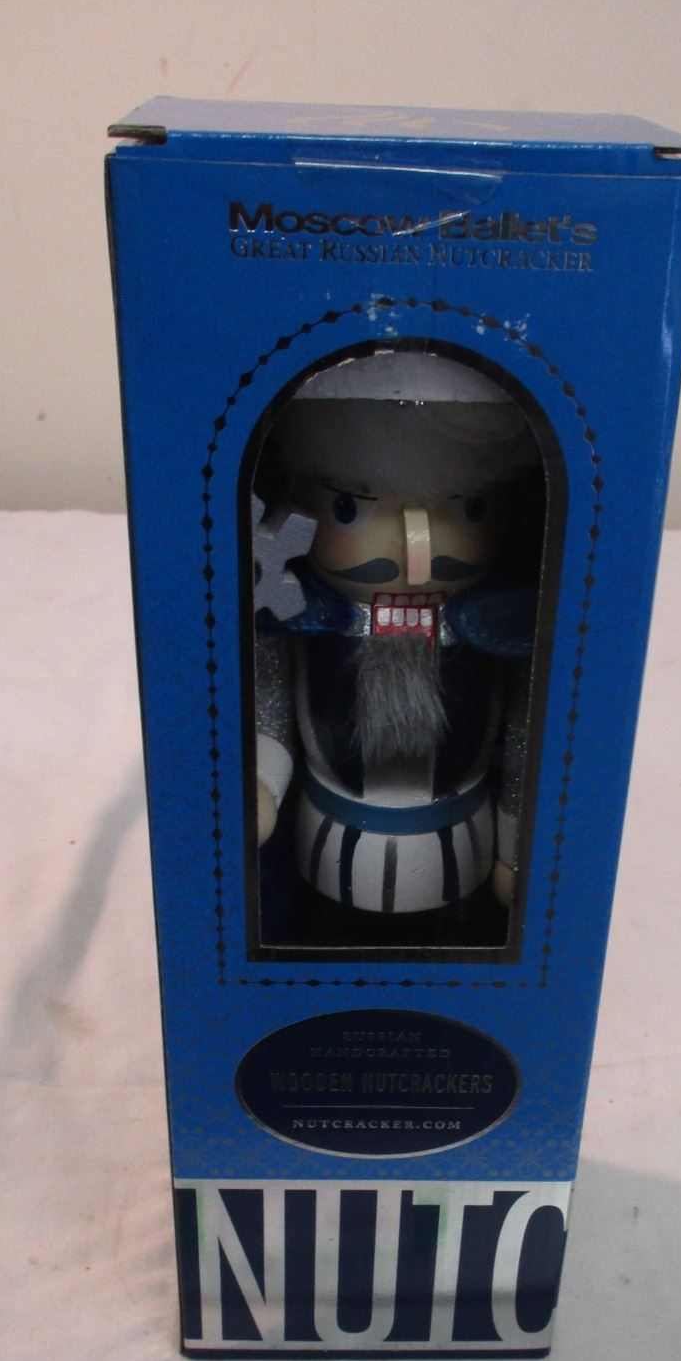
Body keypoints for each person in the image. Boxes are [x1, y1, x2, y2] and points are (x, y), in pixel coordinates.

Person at [252, 348, 543, 949]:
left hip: (462, 848)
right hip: (325, 844)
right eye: (350, 509)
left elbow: (524, 740)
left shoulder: (495, 631)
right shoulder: (302, 619)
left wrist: (515, 843)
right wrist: (261, 785)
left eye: (468, 508)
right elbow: (271, 712)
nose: (418, 554)